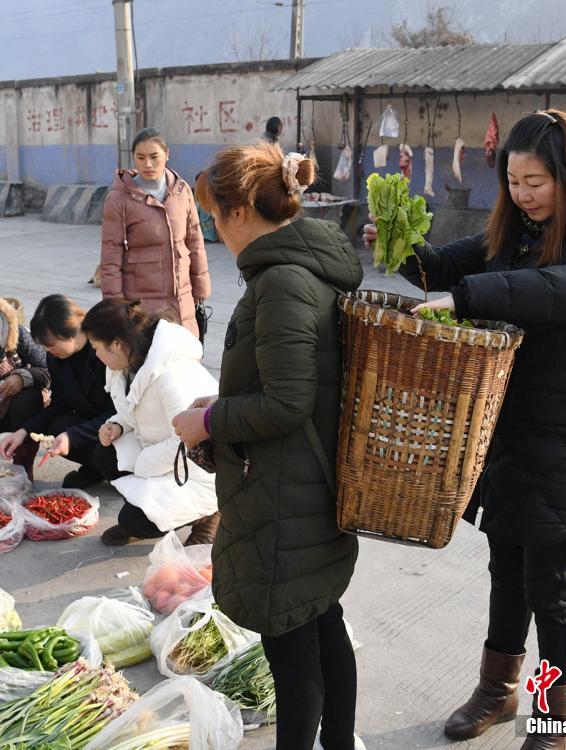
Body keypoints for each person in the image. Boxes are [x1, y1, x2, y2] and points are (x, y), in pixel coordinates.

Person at [364, 109, 566, 749]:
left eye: (536, 182)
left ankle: (556, 718)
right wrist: (398, 244)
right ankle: (497, 691)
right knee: (505, 566)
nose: (521, 195)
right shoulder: (515, 230)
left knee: (551, 583)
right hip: (503, 427)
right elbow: (445, 269)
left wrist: (468, 298)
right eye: (513, 181)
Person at [172, 141, 365, 750]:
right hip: (306, 480)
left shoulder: (282, 280)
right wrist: (219, 406)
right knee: (321, 620)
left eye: (211, 216)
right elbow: (288, 384)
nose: (212, 230)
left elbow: (287, 403)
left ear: (236, 213)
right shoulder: (303, 270)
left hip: (286, 492)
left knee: (292, 650)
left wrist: (209, 423)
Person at [82, 299, 220, 547]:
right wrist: (117, 426)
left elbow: (187, 442)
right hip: (159, 453)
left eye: (95, 347)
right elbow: (131, 410)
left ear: (116, 344)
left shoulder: (173, 375)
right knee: (104, 454)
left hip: (197, 467)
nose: (95, 354)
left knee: (136, 521)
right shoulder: (124, 364)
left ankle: (209, 515)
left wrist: (141, 463)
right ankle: (145, 508)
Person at [100, 127, 212, 338]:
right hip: (142, 306)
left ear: (167, 154)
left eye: (154, 156)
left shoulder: (182, 190)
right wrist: (115, 307)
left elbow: (195, 242)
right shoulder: (119, 199)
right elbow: (110, 258)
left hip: (182, 301)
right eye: (140, 158)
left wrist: (201, 287)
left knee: (183, 364)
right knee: (148, 366)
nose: (148, 164)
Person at [0, 295, 114, 489]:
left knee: (89, 445)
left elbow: (120, 413)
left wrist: (73, 436)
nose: (47, 350)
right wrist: (24, 431)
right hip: (93, 424)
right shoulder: (57, 358)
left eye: (51, 344)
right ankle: (95, 468)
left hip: (119, 427)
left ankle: (121, 473)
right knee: (57, 426)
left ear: (72, 332)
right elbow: (59, 404)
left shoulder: (105, 354)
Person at [0, 297, 49, 480]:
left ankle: (23, 465)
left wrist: (22, 378)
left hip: (12, 407)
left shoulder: (18, 335)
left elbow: (48, 370)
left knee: (29, 397)